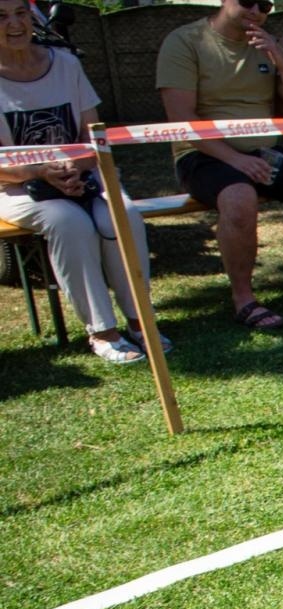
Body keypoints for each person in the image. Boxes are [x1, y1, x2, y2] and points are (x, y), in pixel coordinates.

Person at [157, 0, 283, 330]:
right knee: (239, 196)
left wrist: (282, 61)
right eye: (248, 1)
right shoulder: (184, 41)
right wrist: (235, 159)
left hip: (263, 152)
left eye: (265, 5)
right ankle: (244, 300)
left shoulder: (267, 45)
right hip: (203, 154)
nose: (256, 11)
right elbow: (181, 120)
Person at [0, 0, 163, 364]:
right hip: (13, 187)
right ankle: (103, 331)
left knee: (122, 216)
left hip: (83, 174)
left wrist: (76, 167)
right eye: (1, 16)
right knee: (69, 223)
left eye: (21, 14)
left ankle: (141, 321)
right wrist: (39, 173)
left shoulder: (66, 64)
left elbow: (94, 134)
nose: (14, 24)